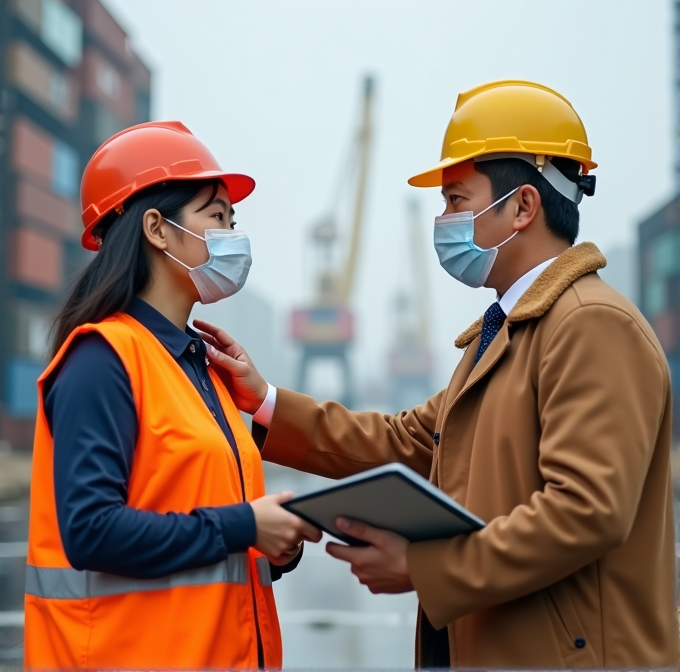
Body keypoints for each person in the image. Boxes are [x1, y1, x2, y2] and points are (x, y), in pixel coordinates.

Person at [196, 80, 679, 668]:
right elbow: (410, 440)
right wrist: (265, 399)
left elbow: (586, 510)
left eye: (456, 199)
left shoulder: (591, 325)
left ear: (523, 207)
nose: (444, 219)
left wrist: (425, 567)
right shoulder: (505, 332)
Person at [24, 121, 321, 670]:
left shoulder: (202, 369)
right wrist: (246, 525)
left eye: (235, 221)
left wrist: (274, 541)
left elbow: (201, 524)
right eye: (217, 217)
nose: (234, 235)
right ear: (158, 230)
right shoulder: (102, 359)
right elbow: (91, 530)